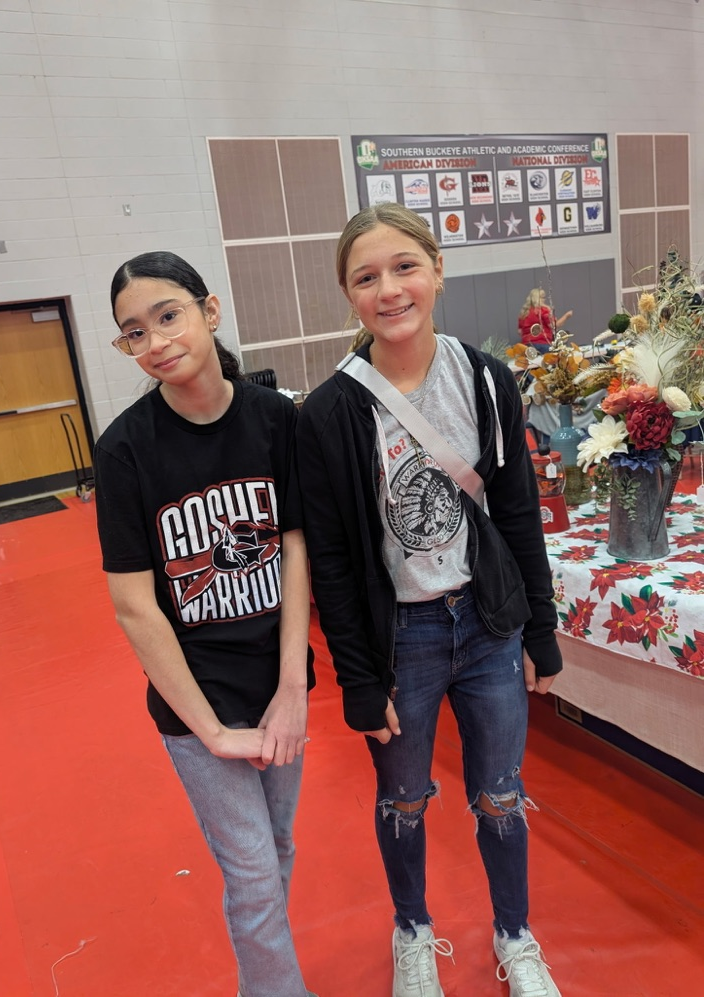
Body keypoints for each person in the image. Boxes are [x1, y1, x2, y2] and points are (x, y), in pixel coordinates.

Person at [296, 204, 563, 997]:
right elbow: (337, 563)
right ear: (348, 294)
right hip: (401, 639)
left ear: (437, 270)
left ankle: (516, 935)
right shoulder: (331, 412)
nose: (390, 288)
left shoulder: (485, 378)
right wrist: (358, 678)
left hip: (484, 625)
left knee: (501, 793)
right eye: (366, 276)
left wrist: (539, 629)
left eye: (405, 266)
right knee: (404, 797)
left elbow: (516, 513)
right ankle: (412, 928)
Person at [94, 251, 318, 997]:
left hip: (275, 680)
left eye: (167, 315)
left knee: (276, 849)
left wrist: (293, 686)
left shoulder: (275, 419)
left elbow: (293, 547)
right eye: (134, 332)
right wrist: (214, 730)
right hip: (198, 701)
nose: (155, 341)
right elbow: (134, 605)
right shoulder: (125, 450)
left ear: (209, 310)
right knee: (252, 871)